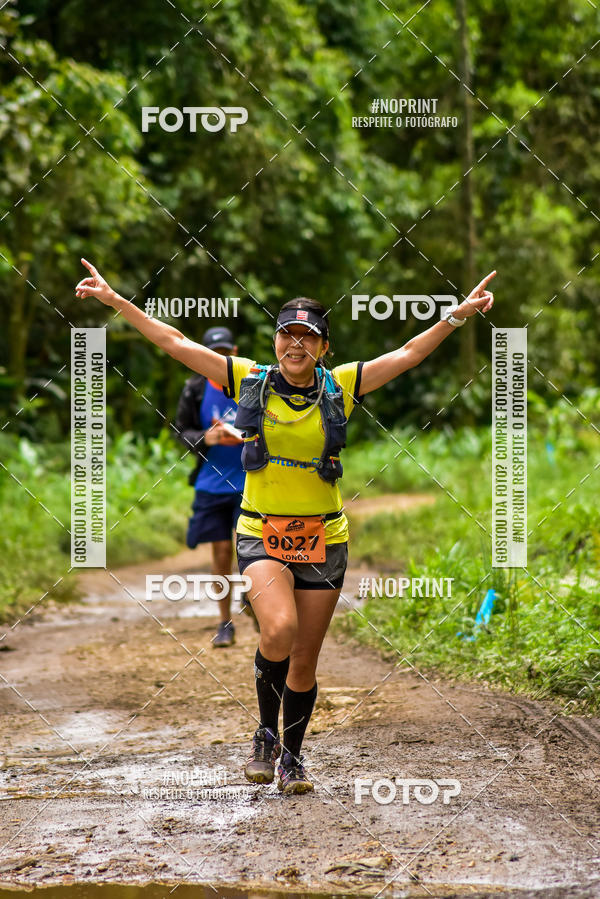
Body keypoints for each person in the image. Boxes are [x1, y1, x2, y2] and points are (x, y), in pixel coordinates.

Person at [75, 258, 495, 795]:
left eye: (307, 336)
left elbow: (408, 353)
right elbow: (175, 342)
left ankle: (292, 758)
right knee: (278, 630)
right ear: (275, 341)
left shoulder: (343, 385)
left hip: (325, 536)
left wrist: (456, 316)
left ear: (324, 347)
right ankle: (264, 734)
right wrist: (116, 301)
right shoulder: (248, 378)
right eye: (286, 334)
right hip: (261, 531)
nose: (295, 344)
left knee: (304, 662)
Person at [174, 326, 246, 648]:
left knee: (249, 550)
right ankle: (224, 621)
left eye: (225, 353)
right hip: (211, 484)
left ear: (234, 353)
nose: (220, 359)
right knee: (221, 551)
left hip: (250, 483)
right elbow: (181, 431)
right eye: (213, 354)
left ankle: (254, 600)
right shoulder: (194, 389)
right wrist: (206, 437)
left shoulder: (250, 385)